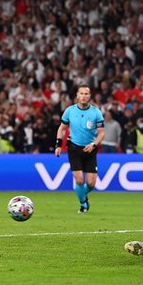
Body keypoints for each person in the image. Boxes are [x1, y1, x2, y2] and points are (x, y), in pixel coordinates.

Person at [54, 85, 105, 213]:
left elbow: (101, 133)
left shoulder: (96, 112)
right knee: (79, 180)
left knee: (92, 183)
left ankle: (82, 194)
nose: (84, 96)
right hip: (74, 148)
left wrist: (93, 144)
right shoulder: (69, 111)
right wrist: (58, 145)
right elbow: (62, 128)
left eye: (86, 93)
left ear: (89, 96)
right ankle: (83, 204)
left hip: (90, 149)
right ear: (77, 96)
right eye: (81, 93)